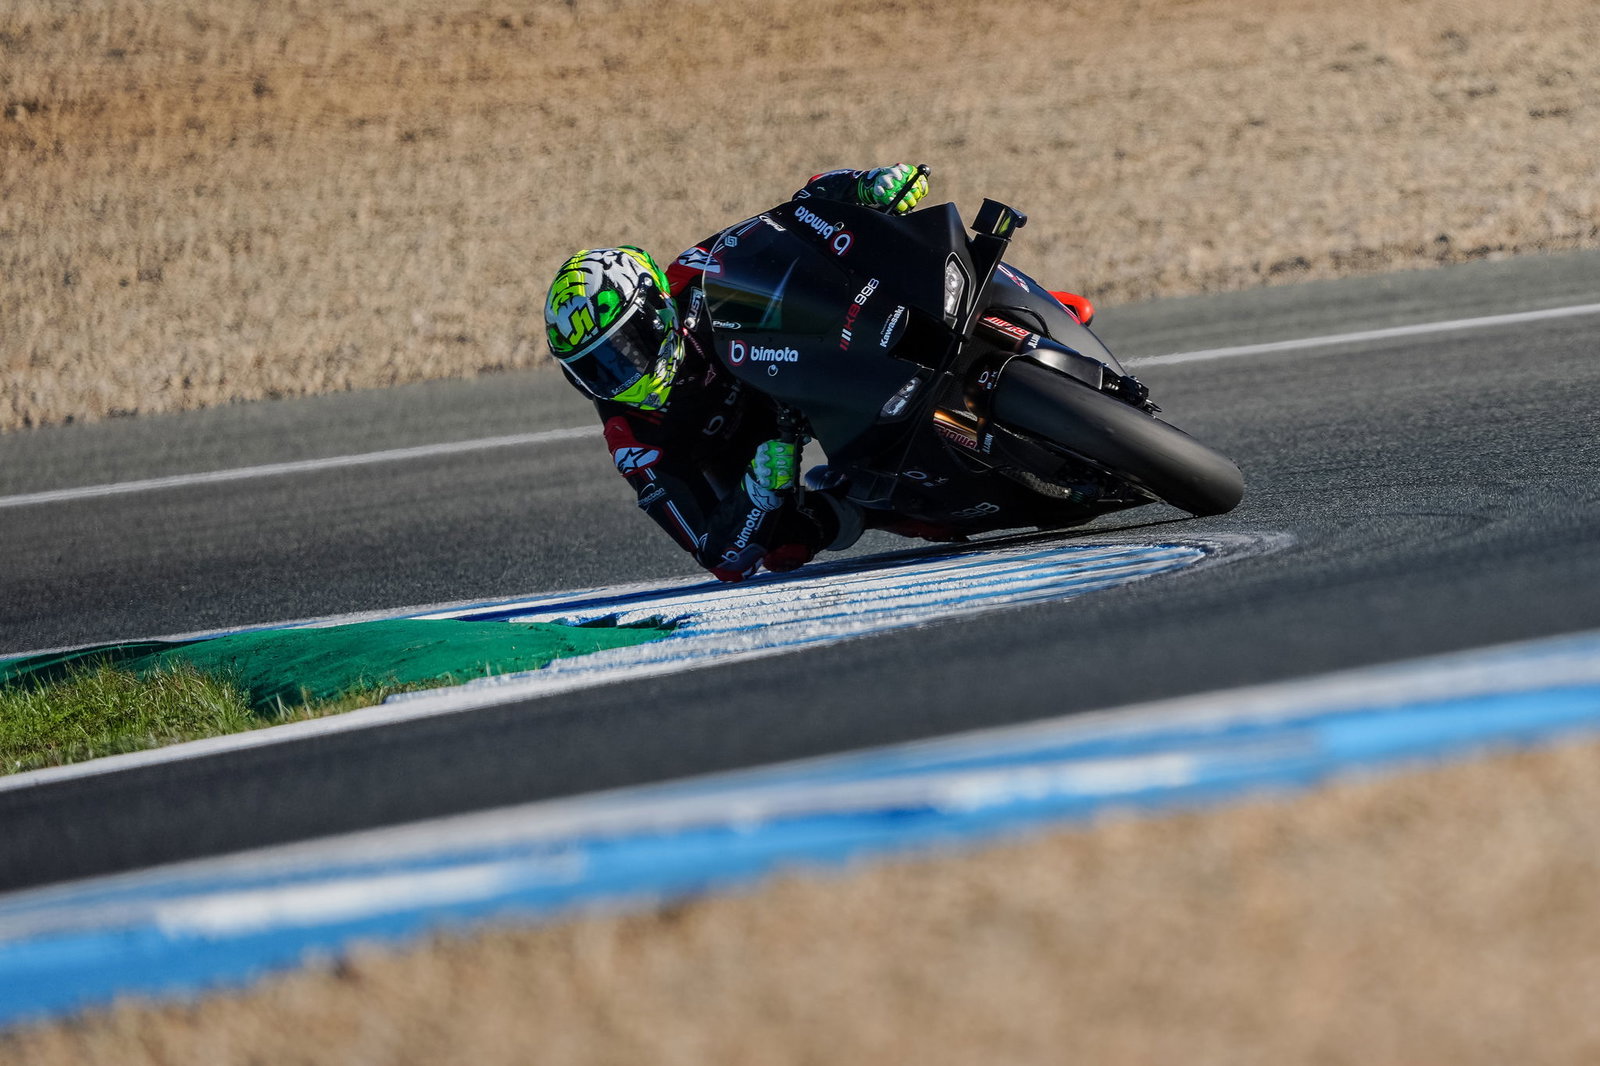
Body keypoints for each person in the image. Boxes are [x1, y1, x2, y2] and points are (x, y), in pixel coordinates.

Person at [543, 165, 932, 583]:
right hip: (746, 454)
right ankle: (866, 508)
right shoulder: (630, 435)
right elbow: (714, 554)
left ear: (655, 305)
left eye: (627, 348)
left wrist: (861, 187)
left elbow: (795, 215)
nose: (620, 374)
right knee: (782, 546)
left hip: (801, 371)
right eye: (595, 369)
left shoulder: (695, 274)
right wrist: (756, 493)